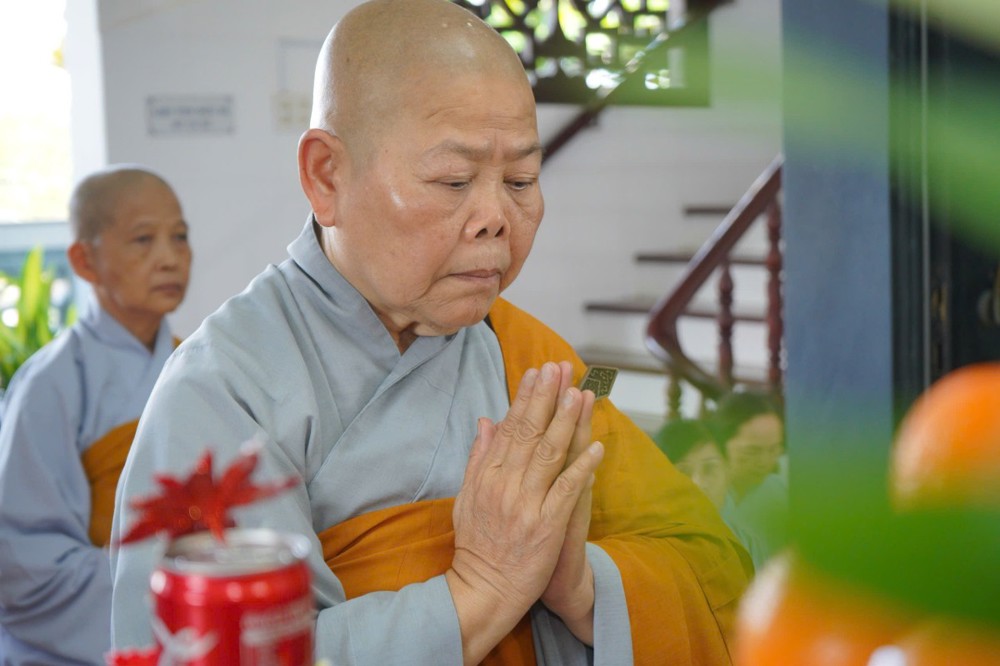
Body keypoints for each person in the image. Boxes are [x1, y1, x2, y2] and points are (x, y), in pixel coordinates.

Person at [110, 1, 752, 664]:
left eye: (522, 180)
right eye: (453, 180)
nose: (496, 217)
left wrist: (585, 588)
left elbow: (713, 567)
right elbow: (210, 651)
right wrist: (483, 590)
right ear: (326, 176)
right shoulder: (223, 391)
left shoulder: (535, 360)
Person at [0, 165, 191, 665]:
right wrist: (170, 588)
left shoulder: (198, 363)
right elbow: (26, 564)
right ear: (85, 261)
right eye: (143, 239)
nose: (170, 257)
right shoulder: (50, 385)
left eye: (180, 236)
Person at [655, 418, 767, 570]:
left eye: (710, 469)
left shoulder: (748, 544)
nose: (699, 483)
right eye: (683, 471)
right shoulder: (652, 546)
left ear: (727, 472)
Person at [710, 390, 789, 567]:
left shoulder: (780, 490)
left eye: (774, 449)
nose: (765, 461)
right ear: (721, 442)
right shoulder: (704, 492)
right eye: (752, 451)